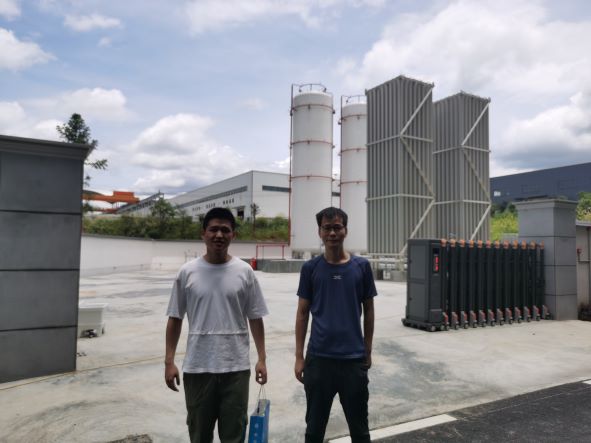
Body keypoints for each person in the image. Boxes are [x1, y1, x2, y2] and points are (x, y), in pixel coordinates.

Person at [165, 207, 268, 443]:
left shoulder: (245, 272)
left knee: (234, 435)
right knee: (199, 434)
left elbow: (255, 318)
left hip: (236, 369)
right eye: (213, 229)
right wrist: (169, 362)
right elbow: (175, 318)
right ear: (203, 234)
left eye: (225, 230)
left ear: (233, 235)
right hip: (198, 369)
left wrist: (262, 359)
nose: (219, 235)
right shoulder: (187, 272)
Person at [294, 207, 377, 443]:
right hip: (319, 360)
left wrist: (367, 349)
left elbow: (369, 311)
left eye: (337, 227)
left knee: (360, 430)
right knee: (314, 430)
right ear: (319, 232)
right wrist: (299, 356)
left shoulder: (361, 267)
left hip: (353, 360)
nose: (332, 233)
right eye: (327, 228)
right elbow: (302, 313)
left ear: (345, 231)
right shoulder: (310, 268)